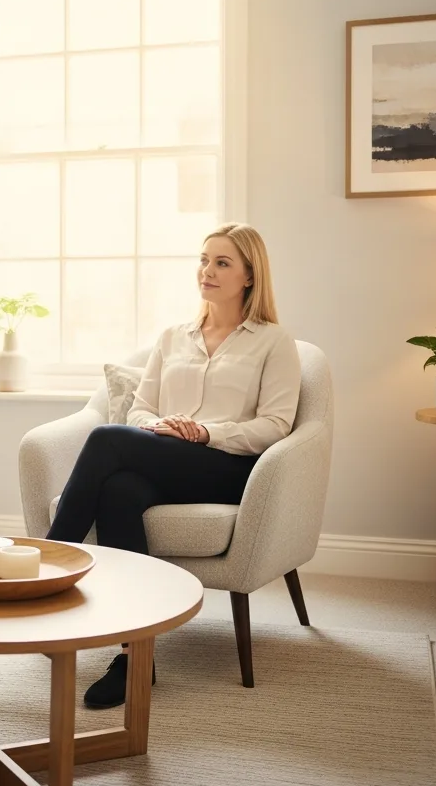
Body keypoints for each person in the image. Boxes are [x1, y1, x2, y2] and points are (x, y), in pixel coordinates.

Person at [45, 222, 301, 709]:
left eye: (222, 262)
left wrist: (208, 433)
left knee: (104, 439)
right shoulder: (172, 337)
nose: (207, 270)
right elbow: (139, 409)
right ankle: (135, 656)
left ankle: (48, 567)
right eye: (204, 259)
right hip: (165, 456)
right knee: (118, 490)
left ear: (249, 275)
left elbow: (276, 425)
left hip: (226, 467)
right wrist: (163, 426)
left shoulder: (273, 341)